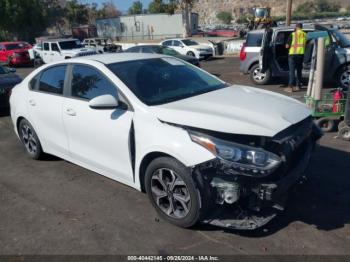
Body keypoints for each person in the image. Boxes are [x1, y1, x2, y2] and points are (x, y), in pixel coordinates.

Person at [285, 23, 307, 92]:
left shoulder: (293, 34)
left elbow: (287, 46)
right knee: (299, 70)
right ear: (301, 27)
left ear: (296, 27)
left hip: (292, 54)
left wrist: (287, 46)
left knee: (292, 71)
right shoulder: (305, 34)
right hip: (301, 54)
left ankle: (290, 87)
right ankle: (298, 86)